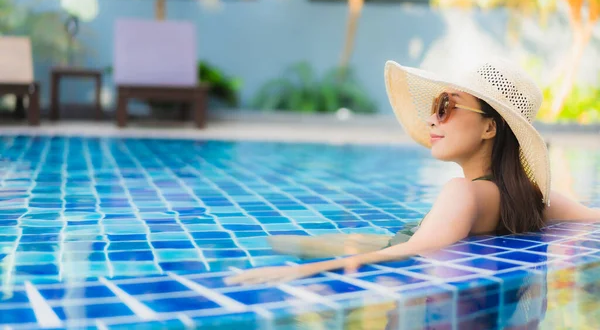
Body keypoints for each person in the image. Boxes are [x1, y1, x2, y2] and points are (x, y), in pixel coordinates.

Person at [225, 57, 600, 286]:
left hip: (400, 247)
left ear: (490, 127)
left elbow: (418, 250)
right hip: (403, 240)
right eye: (437, 105)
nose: (432, 118)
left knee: (276, 246)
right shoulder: (533, 198)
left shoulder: (462, 192)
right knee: (285, 242)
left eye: (448, 106)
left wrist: (304, 274)